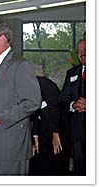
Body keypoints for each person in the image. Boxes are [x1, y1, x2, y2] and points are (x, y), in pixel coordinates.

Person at [0, 19, 42, 175]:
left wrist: (0, 118)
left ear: (2, 39)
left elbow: (32, 102)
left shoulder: (20, 65)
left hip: (11, 149)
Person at [29, 76, 70, 175]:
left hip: (59, 128)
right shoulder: (25, 87)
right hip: (42, 128)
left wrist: (55, 133)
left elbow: (54, 109)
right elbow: (33, 114)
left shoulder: (46, 85)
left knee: (58, 160)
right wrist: (35, 136)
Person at [59, 39, 86, 175]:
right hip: (77, 130)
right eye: (80, 51)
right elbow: (63, 98)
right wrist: (73, 104)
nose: (82, 53)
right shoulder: (72, 73)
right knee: (80, 167)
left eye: (86, 49)